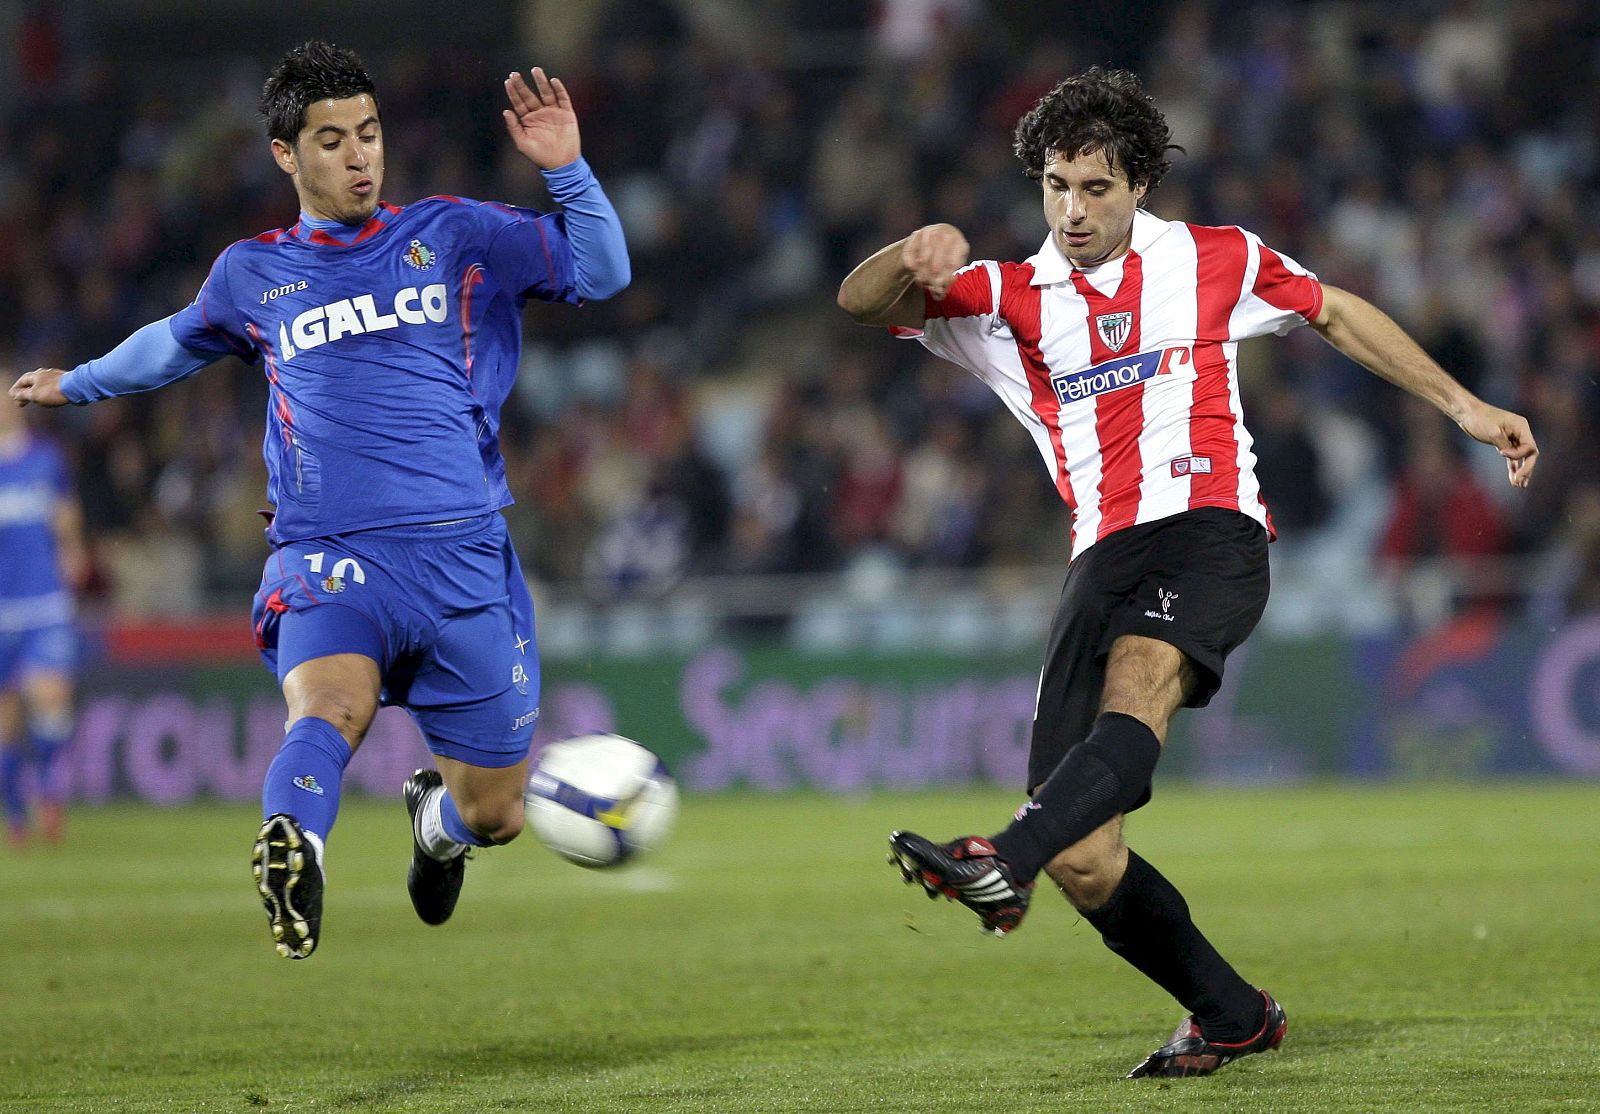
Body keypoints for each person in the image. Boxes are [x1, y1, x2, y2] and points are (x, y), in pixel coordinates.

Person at [838, 67, 1538, 1078]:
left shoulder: (1215, 258)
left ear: (1140, 184)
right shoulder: (1004, 296)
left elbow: (1335, 312)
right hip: (1098, 558)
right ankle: (1231, 1013)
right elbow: (860, 304)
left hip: (1210, 529)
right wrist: (906, 254)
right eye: (1056, 186)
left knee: (1139, 688)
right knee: (1085, 854)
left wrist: (1463, 405)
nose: (1073, 211)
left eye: (1096, 188)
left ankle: (999, 858)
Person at [9, 41, 630, 959]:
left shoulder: (458, 233)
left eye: (368, 134)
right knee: (329, 708)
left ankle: (436, 828)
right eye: (332, 141)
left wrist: (568, 170)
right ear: (285, 155)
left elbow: (604, 273)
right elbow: (171, 342)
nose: (358, 157)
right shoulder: (252, 274)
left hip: (464, 557)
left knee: (496, 813)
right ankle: (296, 844)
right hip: (332, 552)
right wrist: (81, 382)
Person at [0, 400, 85, 848]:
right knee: (7, 717)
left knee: (51, 697)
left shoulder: (45, 457)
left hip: (45, 601)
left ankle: (49, 787)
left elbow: (65, 514)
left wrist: (72, 552)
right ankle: (15, 808)